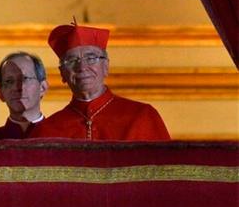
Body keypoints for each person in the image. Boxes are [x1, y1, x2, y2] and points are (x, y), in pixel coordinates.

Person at [31, 21, 170, 140]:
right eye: (72, 60)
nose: (82, 67)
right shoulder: (46, 131)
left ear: (106, 67)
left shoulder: (142, 117)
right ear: (62, 73)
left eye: (91, 59)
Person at [0, 52, 48, 140]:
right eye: (9, 81)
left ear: (42, 87)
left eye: (25, 78)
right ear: (0, 94)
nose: (18, 87)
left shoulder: (64, 139)